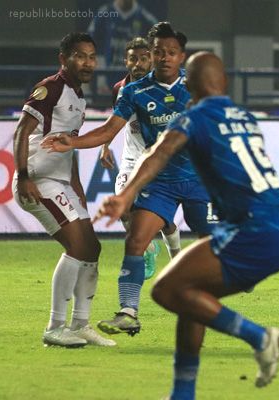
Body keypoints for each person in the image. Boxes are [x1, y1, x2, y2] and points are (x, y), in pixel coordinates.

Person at [94, 51, 279, 397]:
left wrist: (125, 194)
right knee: (193, 296)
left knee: (166, 290)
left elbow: (159, 152)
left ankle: (261, 338)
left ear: (189, 85)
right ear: (226, 83)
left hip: (254, 231)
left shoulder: (196, 116)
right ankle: (182, 393)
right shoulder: (245, 116)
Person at [43, 22, 214, 337]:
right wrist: (74, 142)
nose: (164, 57)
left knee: (211, 245)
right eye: (158, 51)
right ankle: (128, 312)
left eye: (171, 52)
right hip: (157, 180)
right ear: (150, 54)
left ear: (181, 56)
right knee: (136, 240)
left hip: (198, 178)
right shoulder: (133, 91)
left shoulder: (198, 86)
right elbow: (109, 129)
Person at [12, 32, 115, 347]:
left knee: (92, 249)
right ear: (64, 59)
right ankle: (55, 327)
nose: (87, 62)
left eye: (91, 56)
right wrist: (23, 174)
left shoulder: (79, 97)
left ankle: (80, 324)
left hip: (61, 183)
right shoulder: (52, 88)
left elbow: (69, 150)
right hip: (38, 181)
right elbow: (21, 131)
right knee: (77, 247)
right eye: (80, 56)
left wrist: (79, 189)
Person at [99, 36, 182, 280]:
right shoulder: (120, 89)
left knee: (165, 221)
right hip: (132, 158)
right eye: (133, 58)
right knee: (123, 208)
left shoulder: (163, 86)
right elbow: (114, 121)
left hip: (159, 159)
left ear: (152, 59)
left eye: (144, 58)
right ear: (126, 61)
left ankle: (177, 258)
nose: (139, 63)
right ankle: (148, 249)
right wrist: (105, 147)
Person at [88, 0, 158, 93]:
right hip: (107, 83)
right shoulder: (105, 13)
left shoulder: (145, 17)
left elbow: (157, 49)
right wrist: (100, 80)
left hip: (136, 83)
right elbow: (89, 46)